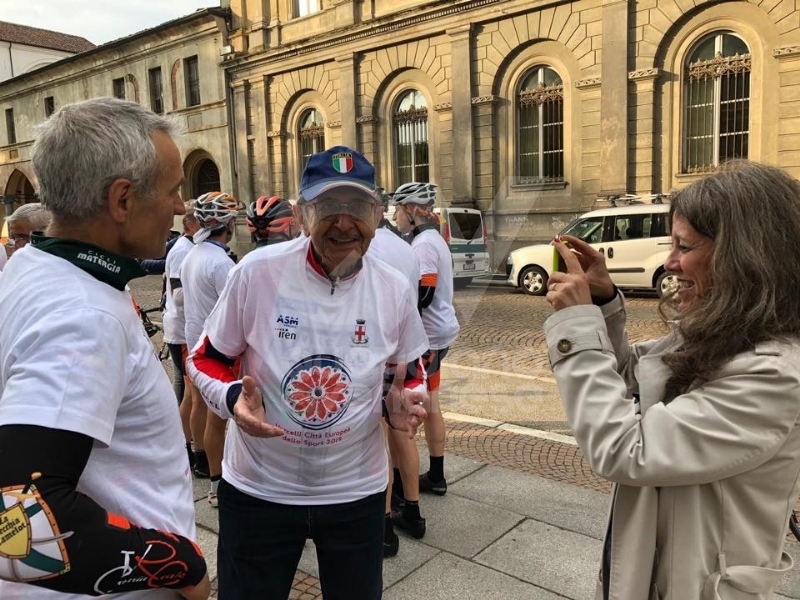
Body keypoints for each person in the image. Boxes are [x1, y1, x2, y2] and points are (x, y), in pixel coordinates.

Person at [544, 160, 800, 599]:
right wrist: (604, 304)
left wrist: (576, 326)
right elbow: (633, 387)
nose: (670, 262)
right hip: (652, 567)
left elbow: (625, 449)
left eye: (684, 247)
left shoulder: (774, 372)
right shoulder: (726, 334)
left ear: (742, 257)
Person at [187, 145, 430, 600]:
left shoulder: (393, 287)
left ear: (377, 214)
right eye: (327, 207)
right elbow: (205, 358)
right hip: (260, 490)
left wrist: (402, 400)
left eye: (357, 207)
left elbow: (409, 370)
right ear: (301, 214)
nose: (343, 222)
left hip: (355, 491)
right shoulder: (257, 272)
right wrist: (232, 397)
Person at [0, 97, 208, 598]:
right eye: (173, 191)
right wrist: (181, 565)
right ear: (122, 200)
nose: (181, 207)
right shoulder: (82, 316)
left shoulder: (36, 268)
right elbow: (20, 517)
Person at [392, 182, 460, 500]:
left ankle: (416, 478)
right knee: (432, 404)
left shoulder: (422, 245)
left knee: (418, 409)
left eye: (398, 209)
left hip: (430, 337)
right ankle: (436, 473)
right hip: (441, 331)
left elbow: (426, 294)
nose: (394, 216)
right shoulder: (434, 239)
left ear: (411, 211)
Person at [367, 191, 425, 557]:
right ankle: (415, 512)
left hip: (374, 352)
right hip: (406, 346)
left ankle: (385, 527)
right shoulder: (407, 247)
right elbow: (417, 298)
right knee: (403, 432)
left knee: (378, 441)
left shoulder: (365, 250)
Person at [179, 191, 239, 503]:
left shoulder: (194, 253)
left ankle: (208, 470)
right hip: (218, 351)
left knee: (199, 405)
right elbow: (237, 310)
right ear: (228, 223)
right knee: (220, 418)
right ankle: (220, 484)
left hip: (196, 343)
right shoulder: (220, 262)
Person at [164, 203, 202, 467]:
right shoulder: (182, 250)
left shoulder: (190, 248)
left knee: (187, 392)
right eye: (202, 221)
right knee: (191, 394)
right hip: (182, 329)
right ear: (190, 225)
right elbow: (178, 296)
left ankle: (182, 445)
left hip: (185, 329)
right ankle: (183, 447)